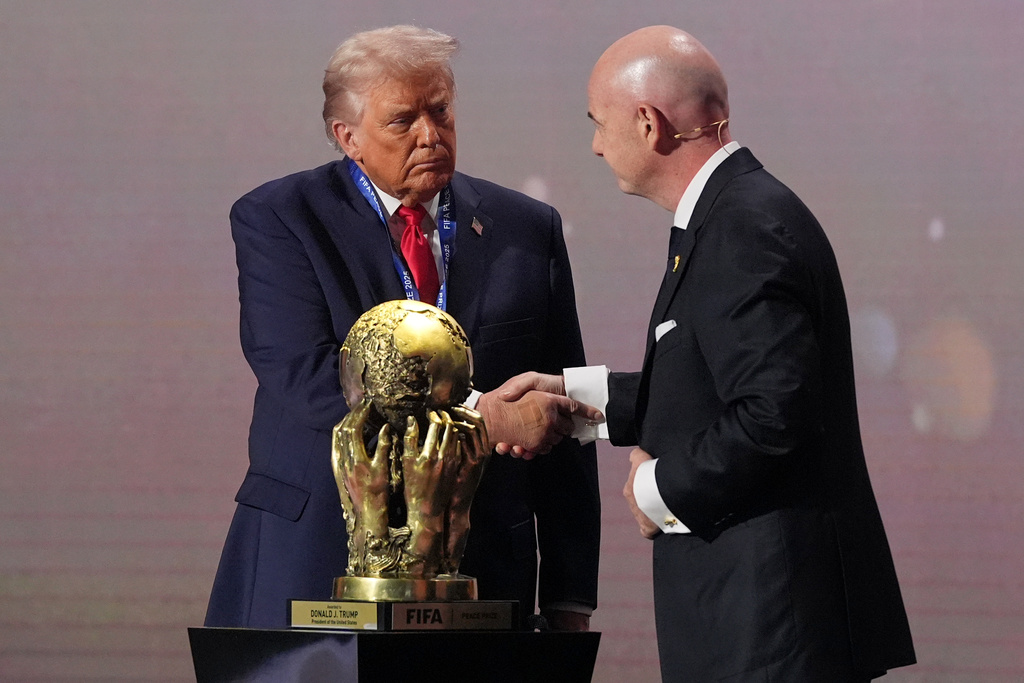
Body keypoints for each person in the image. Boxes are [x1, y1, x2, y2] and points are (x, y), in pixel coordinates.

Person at [505, 25, 916, 681]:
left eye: (599, 122)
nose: (594, 144)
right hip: (758, 623)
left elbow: (772, 413)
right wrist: (573, 400)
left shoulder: (742, 226)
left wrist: (655, 487)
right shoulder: (731, 213)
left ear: (648, 123)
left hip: (770, 630)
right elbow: (709, 382)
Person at [204, 25, 600, 632]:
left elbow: (560, 410)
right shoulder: (279, 218)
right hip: (316, 559)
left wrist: (571, 597)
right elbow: (309, 379)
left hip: (486, 564)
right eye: (402, 120)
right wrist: (482, 418)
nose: (430, 135)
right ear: (349, 138)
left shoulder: (526, 228)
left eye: (440, 111)